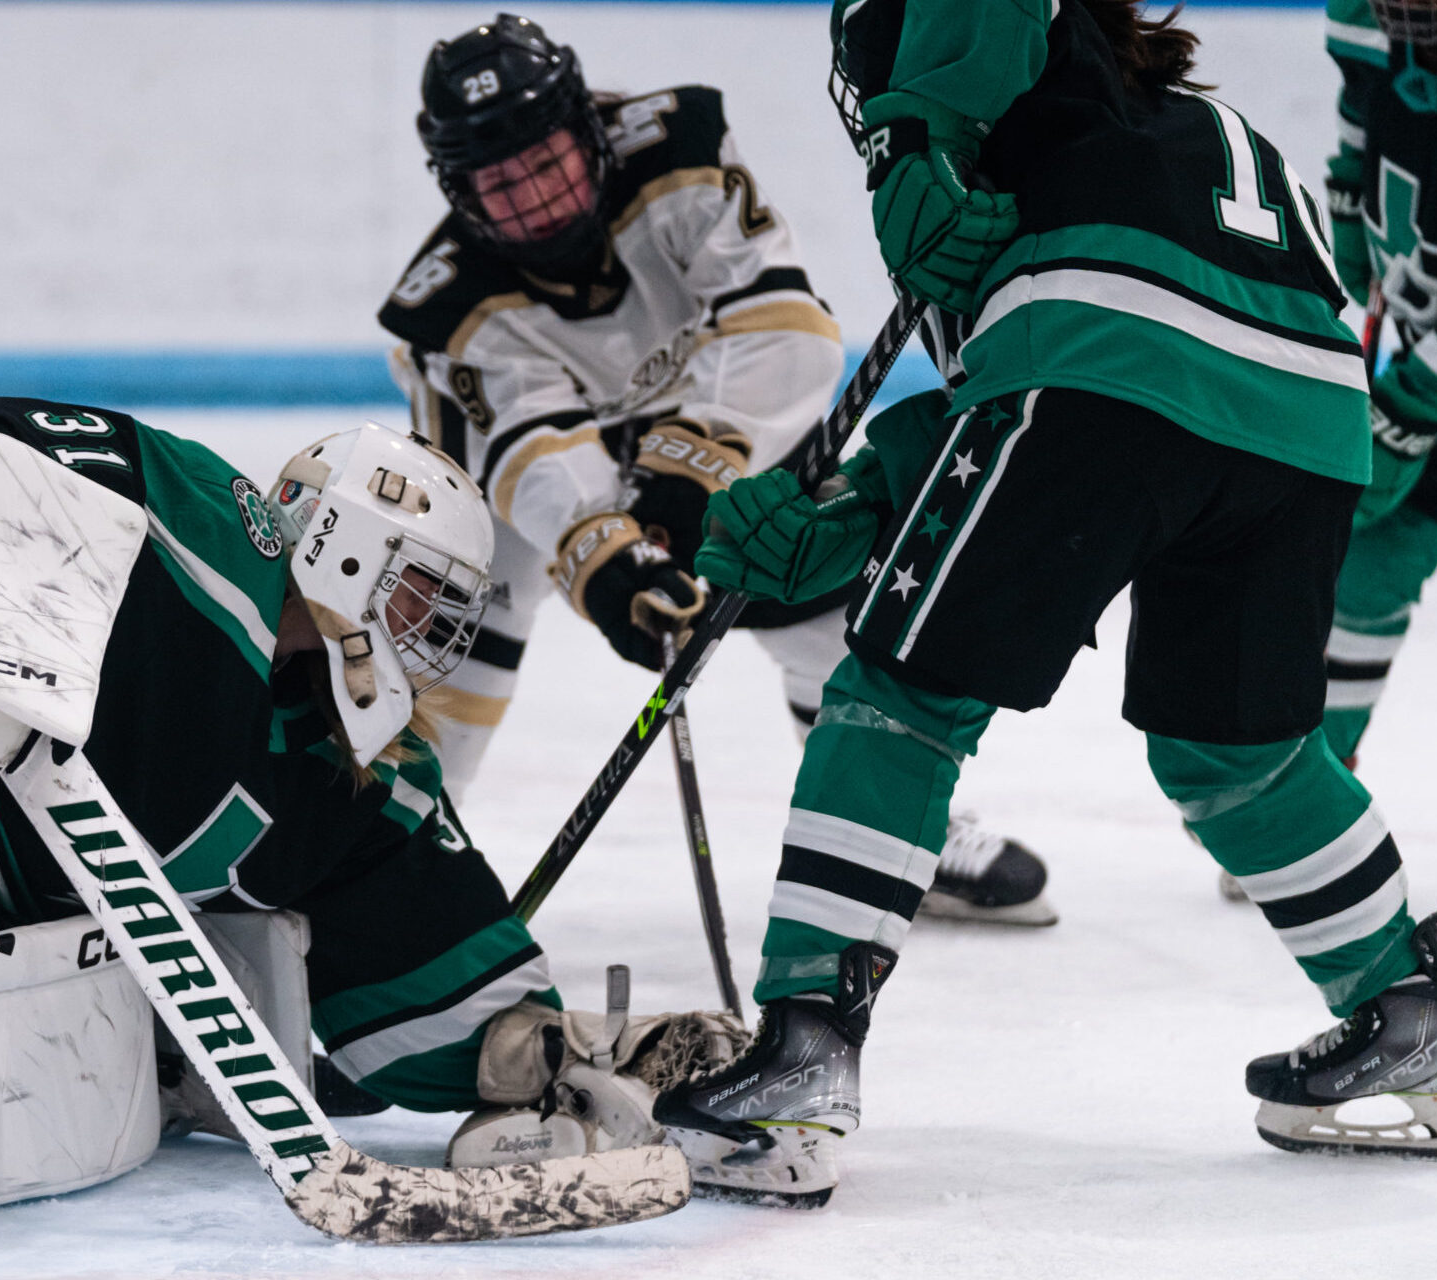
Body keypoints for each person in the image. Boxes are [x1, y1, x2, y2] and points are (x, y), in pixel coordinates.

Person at [652, 0, 1437, 1206]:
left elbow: (1076, 360)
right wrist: (862, 505)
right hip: (1306, 414)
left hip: (1115, 359)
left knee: (898, 694)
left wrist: (918, 130)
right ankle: (1419, 1019)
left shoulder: (965, 102)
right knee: (1239, 752)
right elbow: (1022, 391)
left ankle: (804, 1054)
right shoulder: (1167, 127)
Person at [0, 404, 728, 1244]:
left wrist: (539, 1052)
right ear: (341, 545)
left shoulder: (340, 764)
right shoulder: (205, 531)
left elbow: (409, 913)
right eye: (418, 597)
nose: (427, 641)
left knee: (13, 1061)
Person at [379, 13, 1054, 925]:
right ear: (459, 191)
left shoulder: (677, 151)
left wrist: (687, 473)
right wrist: (611, 564)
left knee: (830, 605)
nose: (534, 199)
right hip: (510, 497)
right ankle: (379, 869)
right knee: (447, 652)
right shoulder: (445, 305)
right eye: (501, 183)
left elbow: (789, 331)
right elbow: (536, 454)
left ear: (587, 128)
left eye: (547, 162)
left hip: (706, 425)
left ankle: (896, 834)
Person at [1314, 0, 1437, 771]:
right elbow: (1360, 114)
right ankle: (1313, 786)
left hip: (1435, 371)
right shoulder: (1367, 21)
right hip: (1424, 344)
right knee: (1373, 558)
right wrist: (1350, 226)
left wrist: (1412, 402)